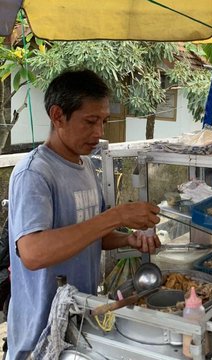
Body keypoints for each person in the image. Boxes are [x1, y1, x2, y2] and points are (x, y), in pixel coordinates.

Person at [7, 69, 162, 360]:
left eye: (103, 121)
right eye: (90, 122)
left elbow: (93, 235)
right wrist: (116, 216)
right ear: (57, 116)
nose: (99, 133)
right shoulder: (35, 173)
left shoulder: (86, 166)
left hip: (79, 324)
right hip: (40, 335)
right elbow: (33, 253)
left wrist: (129, 240)